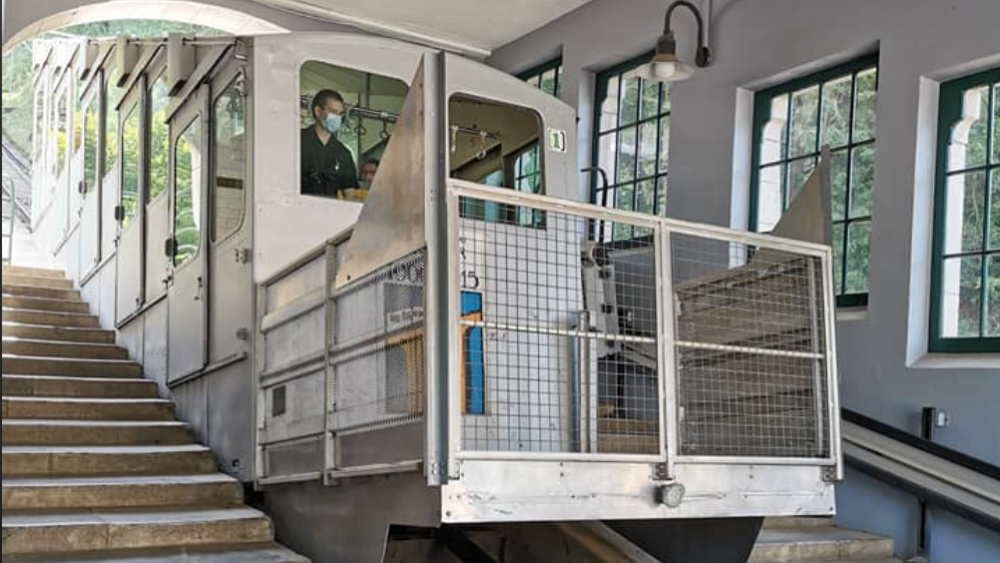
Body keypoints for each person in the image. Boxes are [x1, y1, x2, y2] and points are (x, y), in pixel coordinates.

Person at [301, 89, 359, 199]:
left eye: (340, 113)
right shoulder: (297, 141)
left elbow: (350, 195)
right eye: (333, 111)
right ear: (318, 111)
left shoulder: (343, 153)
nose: (337, 118)